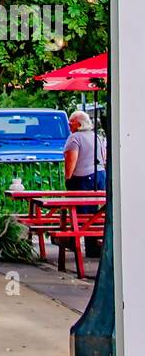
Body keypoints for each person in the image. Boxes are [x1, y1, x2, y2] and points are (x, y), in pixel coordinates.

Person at [64, 109, 106, 257]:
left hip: (82, 178)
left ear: (79, 123)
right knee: (95, 212)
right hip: (100, 176)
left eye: (72, 120)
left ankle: (73, 240)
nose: (69, 122)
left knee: (81, 213)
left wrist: (68, 179)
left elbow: (71, 161)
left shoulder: (75, 138)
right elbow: (104, 157)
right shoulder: (98, 137)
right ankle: (93, 247)